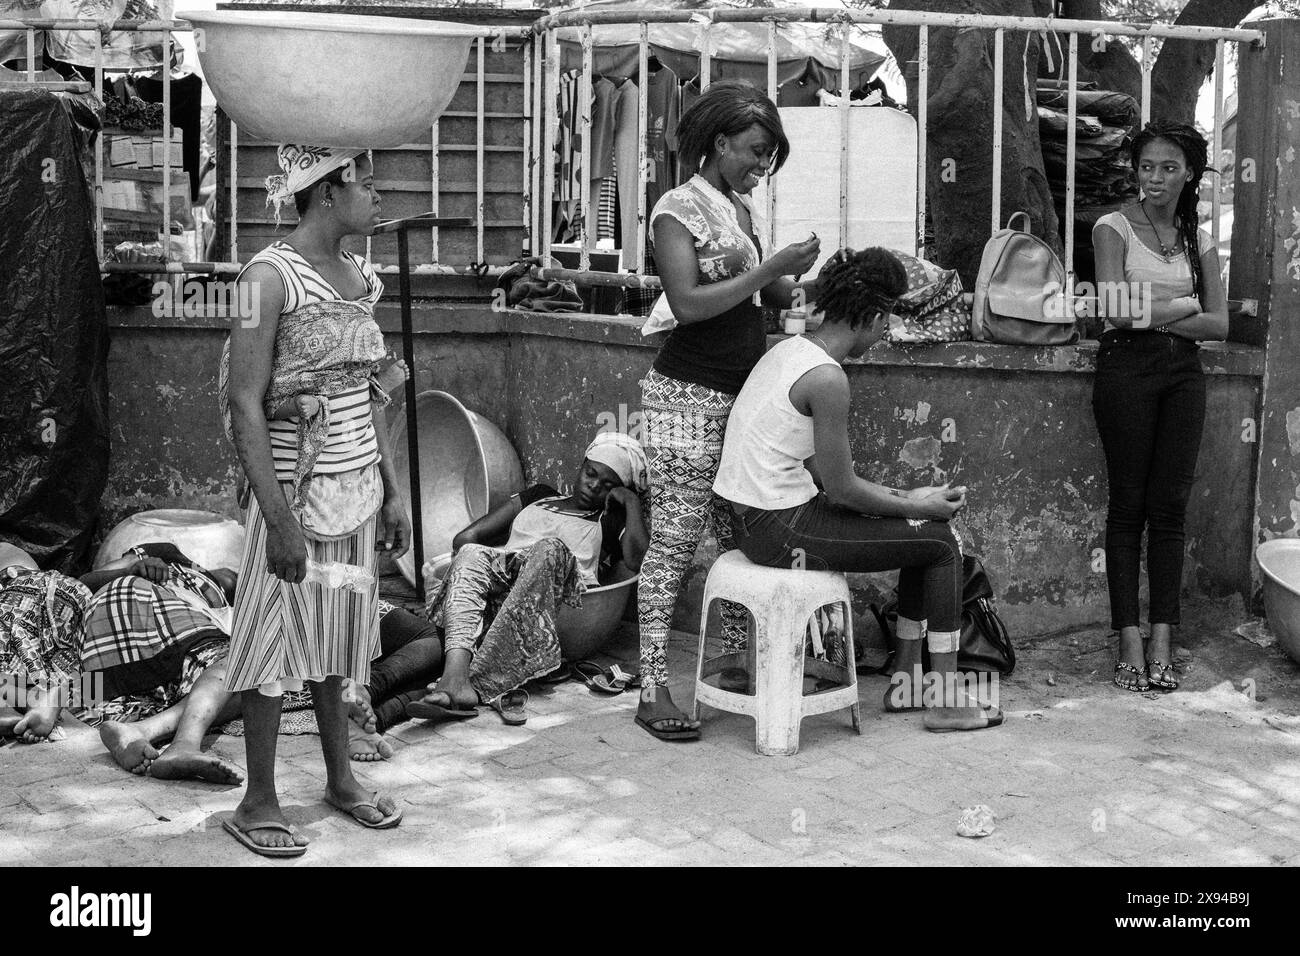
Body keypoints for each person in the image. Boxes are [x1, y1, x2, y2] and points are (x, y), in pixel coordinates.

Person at [714, 247, 1003, 732]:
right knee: (941, 545)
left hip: (754, 520)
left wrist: (911, 501)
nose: (886, 331)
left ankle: (909, 682)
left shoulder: (790, 351)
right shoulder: (828, 379)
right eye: (885, 319)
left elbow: (825, 475)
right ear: (871, 315)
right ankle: (944, 699)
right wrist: (916, 503)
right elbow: (842, 490)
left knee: (922, 529)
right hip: (781, 529)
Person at [219, 143, 411, 857]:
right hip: (294, 498)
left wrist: (392, 490)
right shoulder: (264, 279)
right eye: (367, 185)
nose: (378, 198)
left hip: (357, 491)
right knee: (270, 644)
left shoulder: (361, 277)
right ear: (328, 193)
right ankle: (259, 798)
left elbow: (370, 392)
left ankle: (339, 780)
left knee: (338, 637)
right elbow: (244, 405)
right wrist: (277, 519)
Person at [636, 80, 823, 741]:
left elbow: (772, 294)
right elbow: (688, 303)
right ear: (718, 142)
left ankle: (736, 666)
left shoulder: (740, 210)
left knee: (739, 539)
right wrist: (771, 265)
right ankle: (652, 686)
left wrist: (812, 278)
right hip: (685, 400)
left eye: (769, 156)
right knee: (675, 543)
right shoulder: (675, 210)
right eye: (753, 151)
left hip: (740, 401)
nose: (760, 167)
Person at [1091, 122, 1227, 693]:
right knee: (1127, 506)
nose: (1155, 178)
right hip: (1124, 368)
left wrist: (1154, 304)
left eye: (1169, 168)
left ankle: (1163, 638)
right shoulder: (1112, 226)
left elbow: (1219, 325)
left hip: (1182, 376)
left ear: (1188, 173)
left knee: (1169, 509)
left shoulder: (1200, 239)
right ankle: (1127, 638)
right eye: (1147, 167)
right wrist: (1183, 301)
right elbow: (1114, 311)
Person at [418, 432, 649, 726]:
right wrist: (479, 564)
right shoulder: (540, 495)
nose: (594, 486)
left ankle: (472, 682)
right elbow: (466, 538)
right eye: (591, 474)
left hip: (559, 605)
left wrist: (630, 503)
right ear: (581, 466)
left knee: (549, 547)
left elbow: (638, 560)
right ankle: (455, 678)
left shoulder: (607, 519)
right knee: (472, 553)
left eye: (608, 485)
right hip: (505, 584)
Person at [94, 596, 445, 781]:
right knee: (246, 664)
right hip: (194, 635)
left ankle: (147, 731)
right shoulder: (123, 585)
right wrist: (140, 558)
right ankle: (173, 740)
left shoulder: (200, 574)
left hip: (215, 628)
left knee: (429, 652)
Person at [0, 543, 93, 743]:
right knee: (72, 676)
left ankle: (24, 702)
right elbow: (87, 580)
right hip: (71, 596)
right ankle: (36, 701)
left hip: (23, 590)